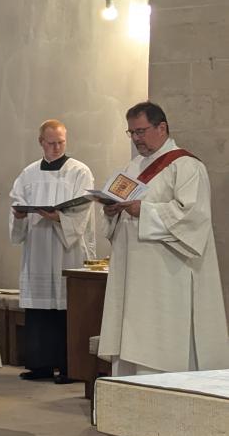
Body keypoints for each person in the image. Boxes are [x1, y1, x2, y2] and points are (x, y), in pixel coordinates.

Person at [97, 102, 229, 376]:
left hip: (166, 276)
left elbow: (193, 218)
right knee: (133, 334)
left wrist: (143, 211)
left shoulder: (186, 166)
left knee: (160, 342)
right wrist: (111, 210)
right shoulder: (132, 167)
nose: (136, 139)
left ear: (162, 128)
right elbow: (118, 208)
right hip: (132, 272)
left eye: (141, 131)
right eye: (131, 132)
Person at [9, 120, 96, 383]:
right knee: (40, 309)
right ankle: (41, 365)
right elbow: (17, 202)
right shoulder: (29, 173)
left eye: (61, 142)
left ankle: (69, 367)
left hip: (65, 249)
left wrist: (59, 217)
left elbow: (83, 210)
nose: (56, 147)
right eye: (51, 143)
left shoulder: (79, 171)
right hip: (38, 248)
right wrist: (20, 215)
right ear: (41, 142)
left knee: (66, 308)